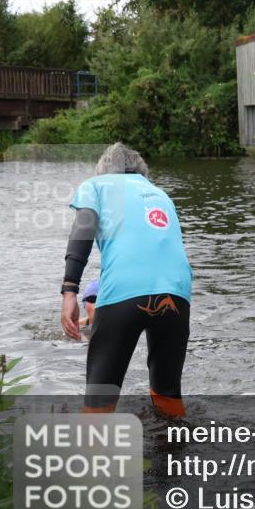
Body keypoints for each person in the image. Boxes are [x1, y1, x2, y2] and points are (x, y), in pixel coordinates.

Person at [60, 143, 193, 418]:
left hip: (124, 292)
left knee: (100, 398)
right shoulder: (161, 194)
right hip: (177, 292)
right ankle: (176, 456)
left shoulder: (95, 185)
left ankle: (93, 457)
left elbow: (82, 231)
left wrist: (70, 291)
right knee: (167, 394)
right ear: (140, 172)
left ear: (103, 170)